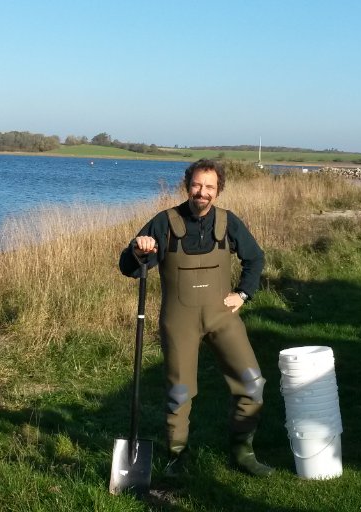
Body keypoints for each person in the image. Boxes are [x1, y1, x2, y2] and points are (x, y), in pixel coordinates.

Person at [119, 159, 273, 477]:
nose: (202, 192)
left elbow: (255, 258)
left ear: (218, 191)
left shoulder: (229, 223)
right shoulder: (164, 223)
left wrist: (243, 294)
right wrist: (139, 248)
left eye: (209, 187)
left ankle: (243, 452)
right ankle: (177, 457)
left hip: (222, 317)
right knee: (179, 393)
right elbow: (128, 267)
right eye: (197, 185)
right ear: (188, 185)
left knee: (252, 384)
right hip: (179, 322)